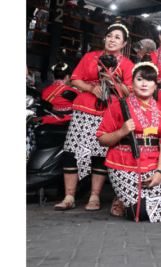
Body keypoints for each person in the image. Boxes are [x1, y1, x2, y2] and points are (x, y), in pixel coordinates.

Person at [55, 19, 134, 213]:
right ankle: (69, 196)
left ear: (124, 44)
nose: (112, 40)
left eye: (117, 38)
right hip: (84, 110)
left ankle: (94, 197)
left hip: (109, 112)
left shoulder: (128, 64)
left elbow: (130, 90)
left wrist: (113, 82)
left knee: (100, 154)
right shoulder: (90, 57)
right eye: (109, 36)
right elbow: (74, 79)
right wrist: (91, 87)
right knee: (72, 151)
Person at [96, 62, 161, 222]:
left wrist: (160, 173)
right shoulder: (118, 106)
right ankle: (124, 199)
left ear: (155, 85)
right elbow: (102, 139)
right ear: (132, 83)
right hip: (123, 165)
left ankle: (129, 199)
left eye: (149, 80)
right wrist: (122, 131)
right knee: (139, 212)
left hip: (151, 166)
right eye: (139, 79)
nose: (144, 84)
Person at [39, 59, 77, 125]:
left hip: (48, 120)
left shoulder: (45, 90)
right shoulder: (73, 91)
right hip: (65, 121)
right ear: (67, 77)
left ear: (53, 76)